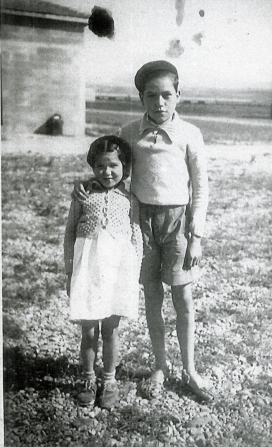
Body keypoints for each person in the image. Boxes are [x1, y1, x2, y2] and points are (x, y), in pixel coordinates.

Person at [74, 60, 212, 402]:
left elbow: (202, 188)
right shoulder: (129, 130)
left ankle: (190, 369)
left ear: (178, 95)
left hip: (177, 224)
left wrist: (196, 237)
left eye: (167, 95)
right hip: (140, 224)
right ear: (141, 98)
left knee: (183, 298)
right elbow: (113, 168)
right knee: (152, 296)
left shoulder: (190, 134)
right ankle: (160, 366)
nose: (160, 103)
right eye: (152, 96)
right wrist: (88, 185)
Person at [64, 135, 143, 408]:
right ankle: (87, 378)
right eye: (100, 166)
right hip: (88, 268)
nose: (107, 172)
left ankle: (108, 379)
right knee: (88, 330)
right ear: (92, 167)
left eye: (113, 166)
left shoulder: (130, 199)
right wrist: (68, 272)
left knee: (110, 330)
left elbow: (137, 239)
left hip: (117, 271)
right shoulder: (84, 195)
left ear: (125, 168)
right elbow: (70, 234)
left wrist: (134, 278)